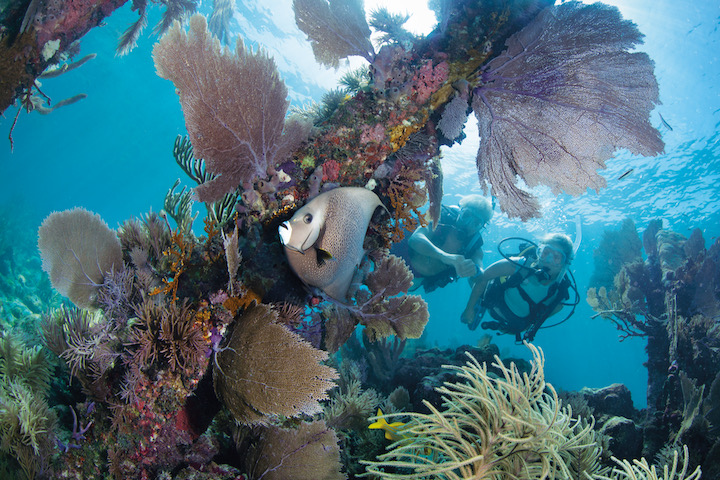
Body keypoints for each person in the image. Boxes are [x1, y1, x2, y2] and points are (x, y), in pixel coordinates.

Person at [460, 233, 577, 342]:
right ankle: (479, 304)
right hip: (492, 302)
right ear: (539, 252)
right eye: (545, 253)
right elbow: (483, 277)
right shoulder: (519, 265)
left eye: (556, 257)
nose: (548, 260)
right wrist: (469, 308)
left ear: (565, 263)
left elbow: (537, 320)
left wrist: (515, 331)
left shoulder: (559, 296)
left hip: (512, 323)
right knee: (475, 278)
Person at [405, 195, 493, 292]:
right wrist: (445, 257)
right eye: (466, 215)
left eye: (476, 223)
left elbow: (479, 271)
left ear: (480, 228)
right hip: (401, 257)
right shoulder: (440, 216)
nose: (467, 224)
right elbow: (416, 238)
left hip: (420, 280)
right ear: (460, 211)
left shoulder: (474, 246)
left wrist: (475, 271)